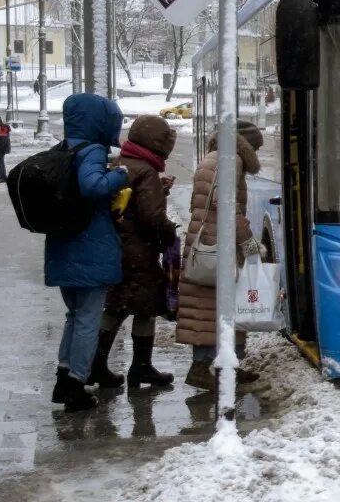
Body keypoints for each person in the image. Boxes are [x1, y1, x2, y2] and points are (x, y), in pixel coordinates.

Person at [45, 94, 130, 412]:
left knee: (74, 316)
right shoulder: (93, 150)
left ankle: (64, 376)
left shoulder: (65, 148)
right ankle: (76, 385)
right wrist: (120, 175)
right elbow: (92, 186)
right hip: (89, 248)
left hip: (66, 245)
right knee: (88, 320)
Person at [93, 115, 178, 389]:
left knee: (117, 304)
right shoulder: (147, 171)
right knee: (145, 307)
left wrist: (158, 191)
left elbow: (127, 206)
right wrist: (169, 234)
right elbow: (151, 218)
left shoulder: (122, 163)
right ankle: (140, 368)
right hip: (139, 252)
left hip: (117, 247)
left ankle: (96, 364)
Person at [177, 120, 262, 392]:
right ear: (246, 146)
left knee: (209, 307)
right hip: (218, 246)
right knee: (218, 307)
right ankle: (204, 368)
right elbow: (227, 207)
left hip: (205, 241)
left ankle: (226, 367)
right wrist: (249, 244)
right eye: (256, 149)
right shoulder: (230, 161)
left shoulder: (212, 157)